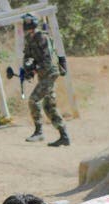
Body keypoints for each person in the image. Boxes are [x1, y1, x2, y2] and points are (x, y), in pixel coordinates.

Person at [21, 14, 70, 147]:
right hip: (43, 74)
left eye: (29, 26)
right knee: (49, 106)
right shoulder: (29, 39)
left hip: (49, 73)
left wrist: (34, 69)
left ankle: (39, 132)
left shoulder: (41, 37)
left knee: (33, 100)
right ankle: (64, 136)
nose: (27, 29)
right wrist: (27, 69)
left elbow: (48, 60)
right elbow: (27, 56)